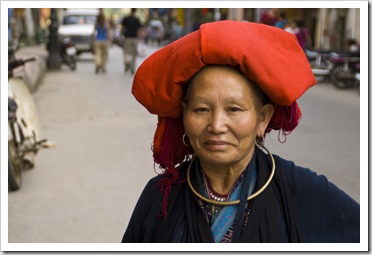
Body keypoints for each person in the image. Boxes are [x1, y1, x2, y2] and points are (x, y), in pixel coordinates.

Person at [122, 20, 360, 243]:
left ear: (263, 119)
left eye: (234, 109)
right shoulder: (160, 196)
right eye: (201, 109)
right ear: (184, 115)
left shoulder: (302, 191)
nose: (216, 125)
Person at [121, 8, 142, 74]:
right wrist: (140, 38)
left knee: (126, 53)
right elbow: (139, 30)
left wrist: (121, 36)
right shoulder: (137, 20)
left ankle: (127, 64)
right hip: (135, 38)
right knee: (134, 54)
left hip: (127, 38)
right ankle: (132, 67)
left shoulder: (126, 19)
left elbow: (123, 28)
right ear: (135, 12)